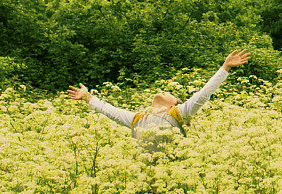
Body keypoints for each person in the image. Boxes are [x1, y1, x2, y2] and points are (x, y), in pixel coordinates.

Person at [66, 49, 251, 150]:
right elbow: (109, 111)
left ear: (173, 105)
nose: (163, 92)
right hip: (141, 183)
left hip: (170, 181)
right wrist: (87, 97)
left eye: (170, 93)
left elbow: (203, 95)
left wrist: (225, 67)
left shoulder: (178, 114)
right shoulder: (138, 119)